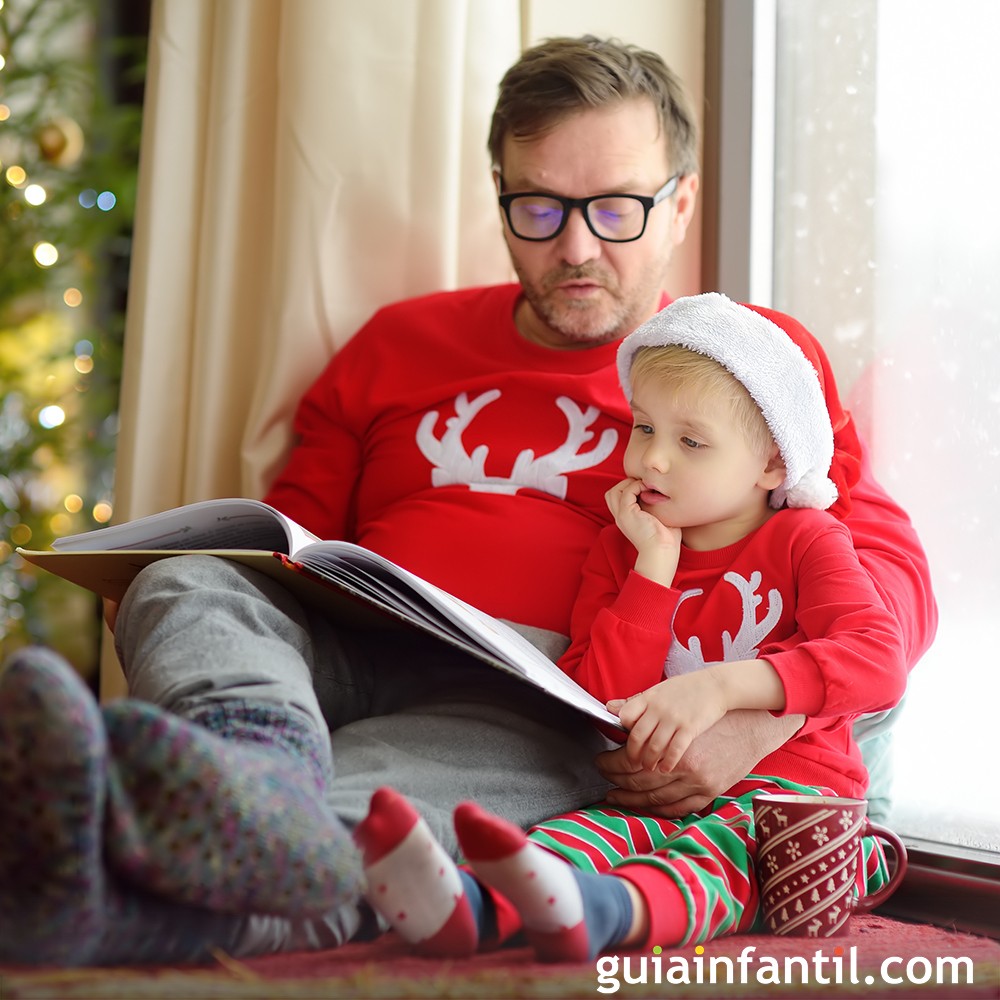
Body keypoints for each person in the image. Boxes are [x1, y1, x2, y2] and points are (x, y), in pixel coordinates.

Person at [0, 36, 935, 968]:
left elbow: (889, 583)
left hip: (529, 694)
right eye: (538, 207)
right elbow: (280, 539)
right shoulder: (398, 344)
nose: (576, 249)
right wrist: (187, 604)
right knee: (188, 579)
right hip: (348, 633)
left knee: (375, 832)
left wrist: (756, 714)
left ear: (681, 203)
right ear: (500, 200)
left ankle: (108, 887)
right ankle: (261, 782)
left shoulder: (739, 377)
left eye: (615, 209)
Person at [350, 291, 908, 961]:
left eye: (691, 441)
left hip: (787, 805)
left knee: (716, 853)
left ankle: (608, 913)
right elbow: (597, 697)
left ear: (773, 464)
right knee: (580, 835)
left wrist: (725, 688)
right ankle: (475, 907)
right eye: (644, 428)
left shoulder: (807, 541)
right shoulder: (624, 548)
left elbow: (877, 659)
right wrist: (650, 574)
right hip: (652, 793)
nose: (654, 459)